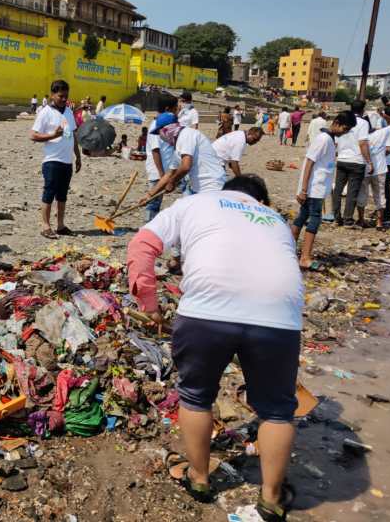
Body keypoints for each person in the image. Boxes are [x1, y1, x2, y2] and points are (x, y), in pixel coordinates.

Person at [127, 175, 303, 520]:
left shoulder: (196, 202)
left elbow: (142, 244)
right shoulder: (276, 220)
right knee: (277, 411)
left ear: (227, 192)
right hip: (278, 317)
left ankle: (199, 478)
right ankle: (271, 497)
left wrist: (148, 302)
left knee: (196, 396)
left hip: (206, 312)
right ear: (261, 201)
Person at [292, 111, 357, 268]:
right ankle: (305, 257)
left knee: (302, 217)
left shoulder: (329, 139)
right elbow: (309, 163)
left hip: (317, 188)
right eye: (345, 128)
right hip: (313, 188)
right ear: (336, 123)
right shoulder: (323, 139)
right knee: (314, 219)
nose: (345, 132)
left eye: (347, 130)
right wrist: (303, 189)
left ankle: (288, 251)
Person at [30, 79, 81, 240]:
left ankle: (60, 225)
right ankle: (45, 226)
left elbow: (72, 134)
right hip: (52, 160)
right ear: (53, 95)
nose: (64, 99)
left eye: (66, 96)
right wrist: (52, 135)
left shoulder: (68, 112)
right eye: (61, 96)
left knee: (62, 195)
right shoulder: (46, 112)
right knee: (49, 193)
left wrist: (78, 156)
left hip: (67, 161)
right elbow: (33, 135)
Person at [142, 115, 226, 199]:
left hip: (212, 186)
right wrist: (149, 195)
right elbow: (170, 173)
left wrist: (172, 181)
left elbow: (185, 166)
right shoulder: (177, 147)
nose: (160, 136)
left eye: (159, 132)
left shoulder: (187, 134)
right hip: (198, 188)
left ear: (167, 128)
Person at [357, 110, 390, 230]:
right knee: (380, 195)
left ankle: (361, 220)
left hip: (364, 169)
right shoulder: (382, 133)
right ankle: (379, 222)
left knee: (362, 194)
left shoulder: (360, 136)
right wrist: (384, 114)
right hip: (380, 170)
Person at [333, 99, 373, 226]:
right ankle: (347, 219)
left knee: (338, 190)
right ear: (362, 110)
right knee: (352, 192)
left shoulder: (342, 120)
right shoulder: (363, 123)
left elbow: (336, 141)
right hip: (357, 161)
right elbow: (363, 143)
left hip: (342, 159)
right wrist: (369, 162)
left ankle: (336, 217)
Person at [143, 96, 180, 221]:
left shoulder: (167, 124)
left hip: (166, 171)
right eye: (175, 108)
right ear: (167, 109)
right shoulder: (157, 125)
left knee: (156, 202)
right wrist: (162, 175)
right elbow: (155, 150)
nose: (177, 111)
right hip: (158, 171)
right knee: (153, 203)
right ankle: (148, 227)